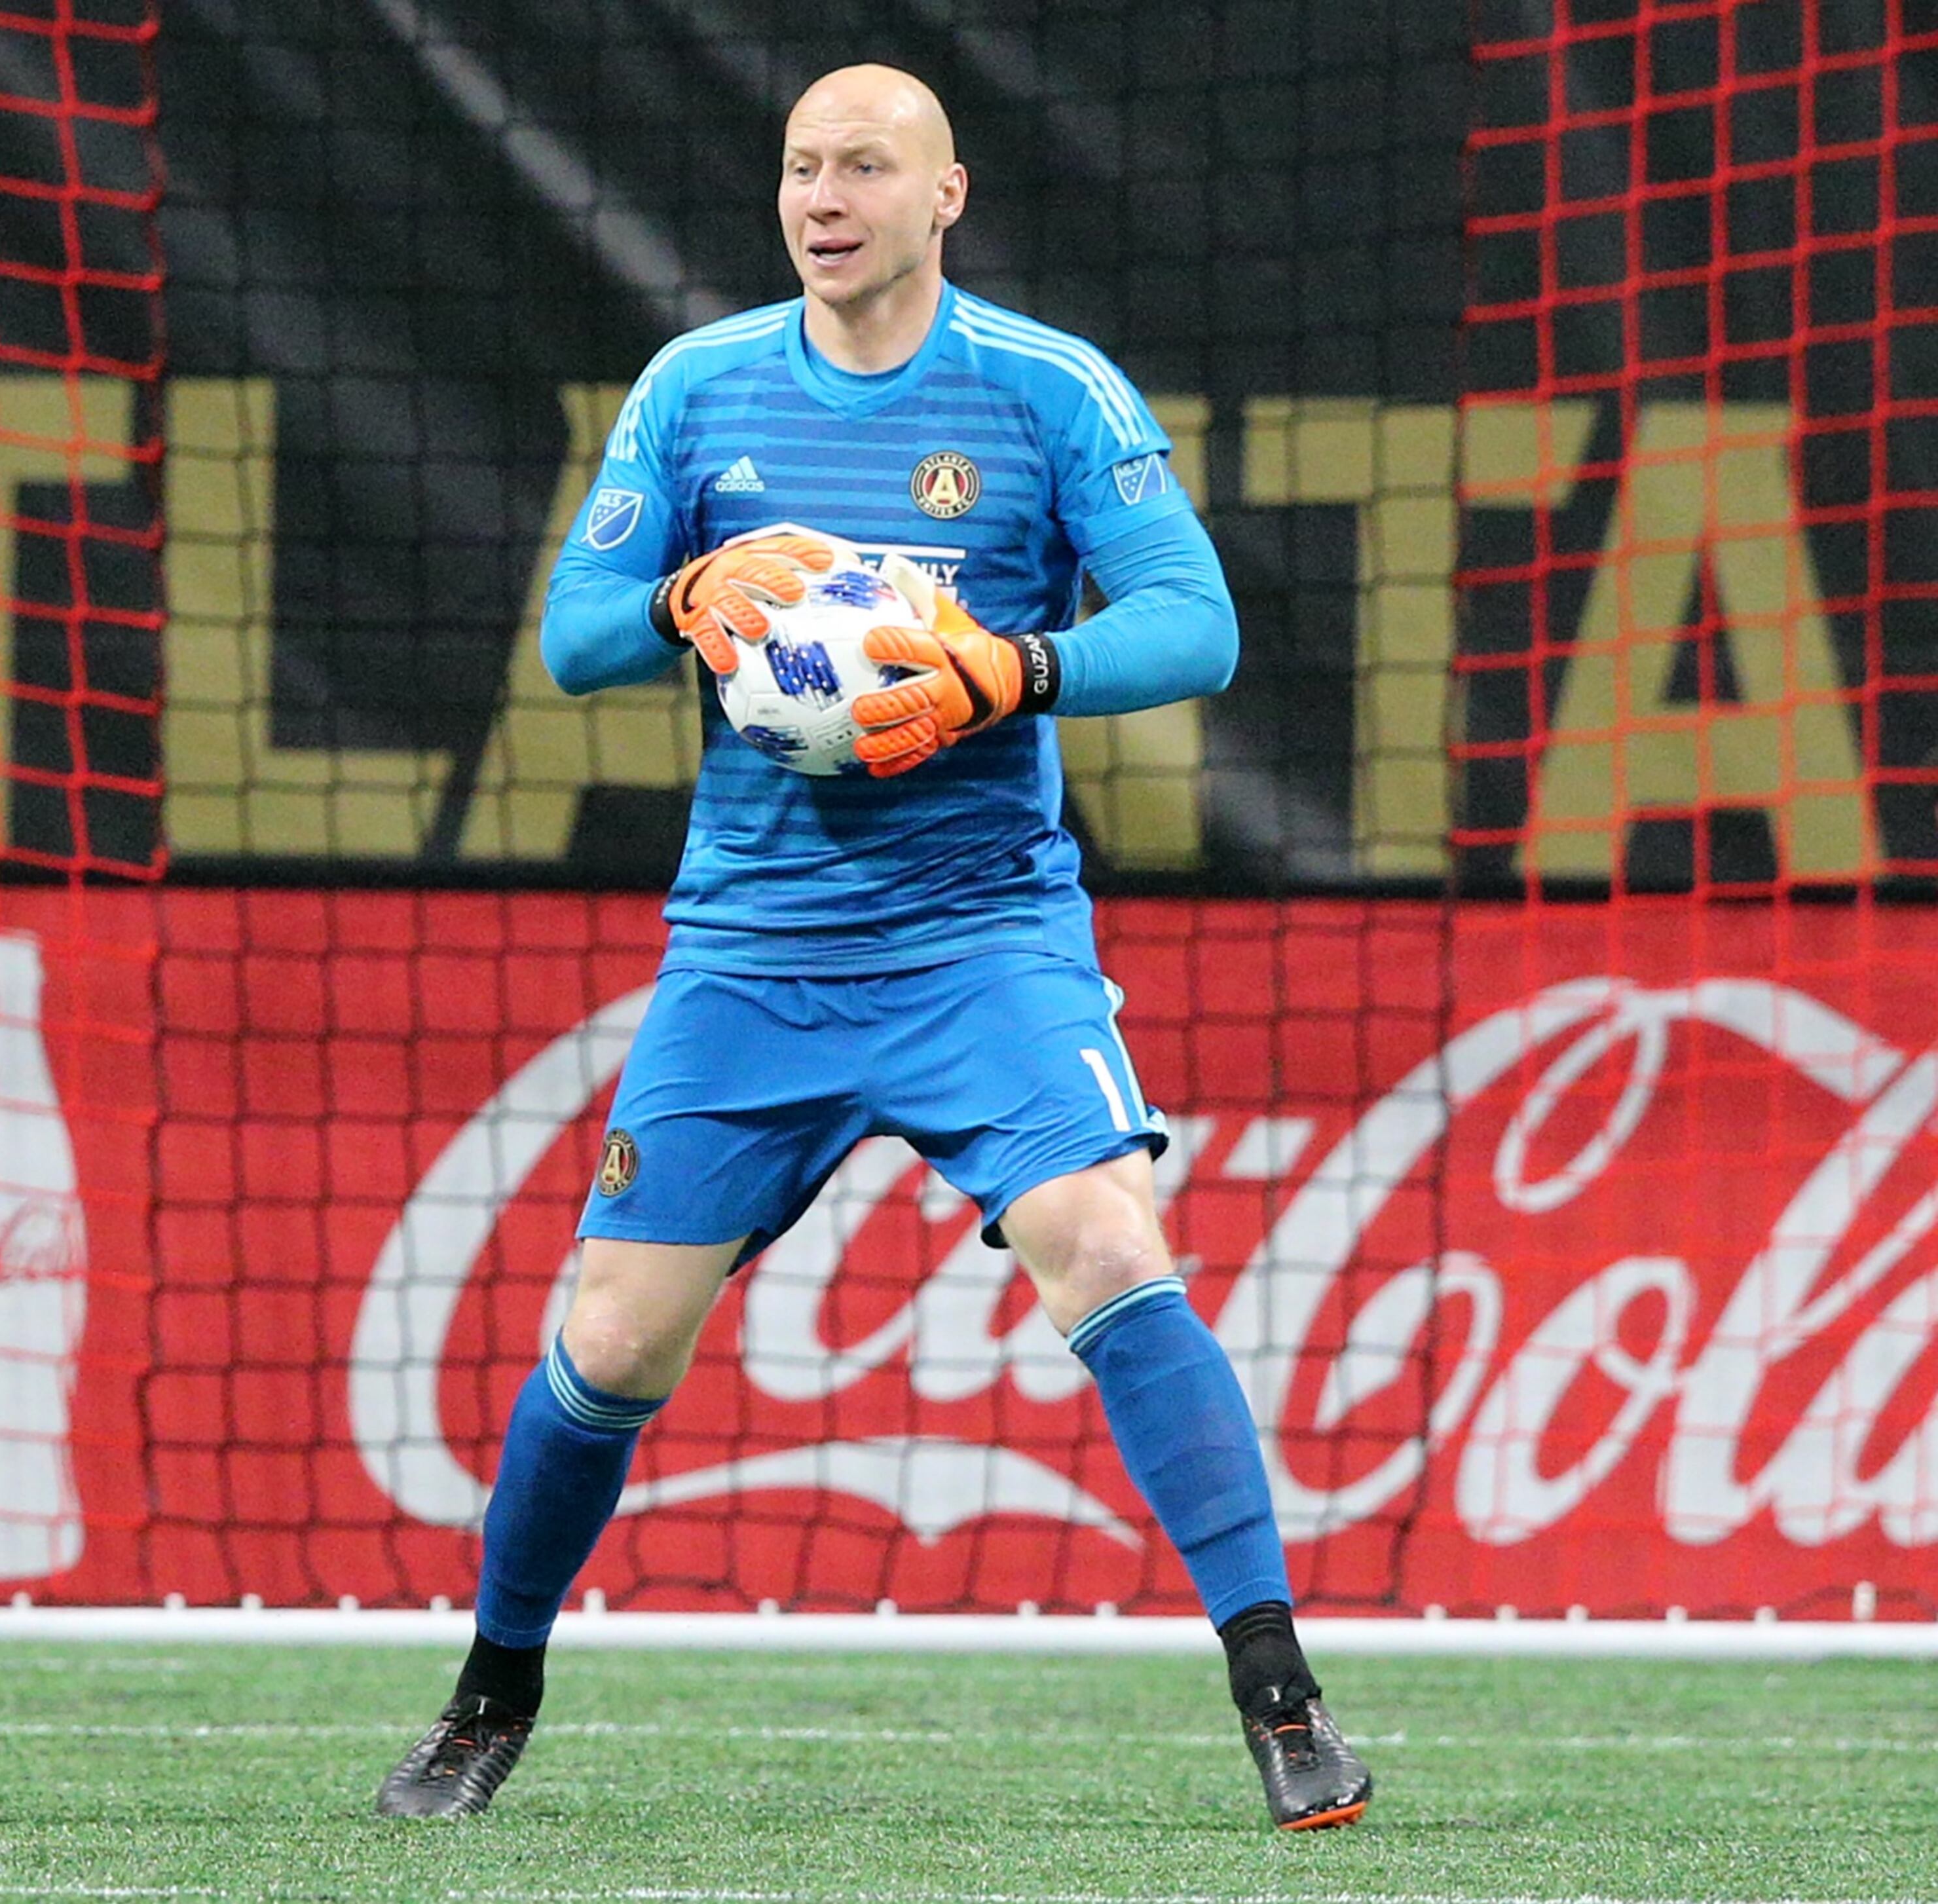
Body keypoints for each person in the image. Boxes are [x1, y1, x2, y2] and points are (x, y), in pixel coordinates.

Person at [374, 62, 1372, 1831]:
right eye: (799, 168)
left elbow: (1196, 623)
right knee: (612, 1343)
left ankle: (1281, 1692)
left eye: (863, 168)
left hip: (985, 937)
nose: (822, 197)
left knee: (1103, 1230)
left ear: (947, 196)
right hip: (753, 950)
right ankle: (487, 1693)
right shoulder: (699, 388)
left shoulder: (1047, 389)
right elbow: (578, 636)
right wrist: (689, 596)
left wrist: (1014, 665)